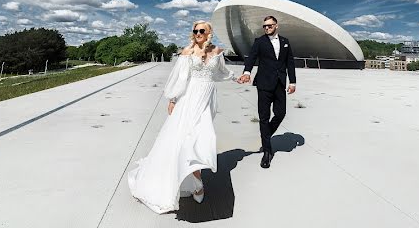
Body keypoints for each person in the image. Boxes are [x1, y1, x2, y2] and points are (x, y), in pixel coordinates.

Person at [127, 20, 234, 213]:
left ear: (209, 33)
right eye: (195, 30)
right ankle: (197, 182)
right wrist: (173, 98)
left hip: (207, 99)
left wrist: (237, 77)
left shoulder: (217, 51)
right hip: (189, 99)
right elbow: (180, 77)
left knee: (202, 137)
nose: (198, 33)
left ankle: (194, 178)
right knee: (186, 138)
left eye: (202, 30)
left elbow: (221, 73)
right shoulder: (187, 52)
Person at [236, 15, 296, 168]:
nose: (267, 28)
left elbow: (290, 62)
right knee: (264, 117)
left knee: (280, 113)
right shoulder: (259, 42)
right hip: (263, 84)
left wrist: (293, 81)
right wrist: (247, 72)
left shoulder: (285, 42)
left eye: (269, 25)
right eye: (265, 26)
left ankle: (266, 135)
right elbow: (251, 58)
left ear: (276, 26)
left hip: (280, 83)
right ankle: (267, 152)